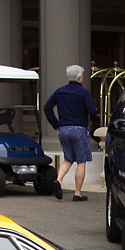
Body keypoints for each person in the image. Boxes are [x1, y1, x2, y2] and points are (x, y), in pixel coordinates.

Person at [44, 65, 97, 201]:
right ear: (80, 78)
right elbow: (92, 111)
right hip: (79, 129)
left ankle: (59, 180)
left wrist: (56, 124)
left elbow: (47, 107)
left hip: (63, 129)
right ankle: (77, 193)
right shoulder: (84, 93)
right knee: (81, 161)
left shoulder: (60, 92)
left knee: (68, 159)